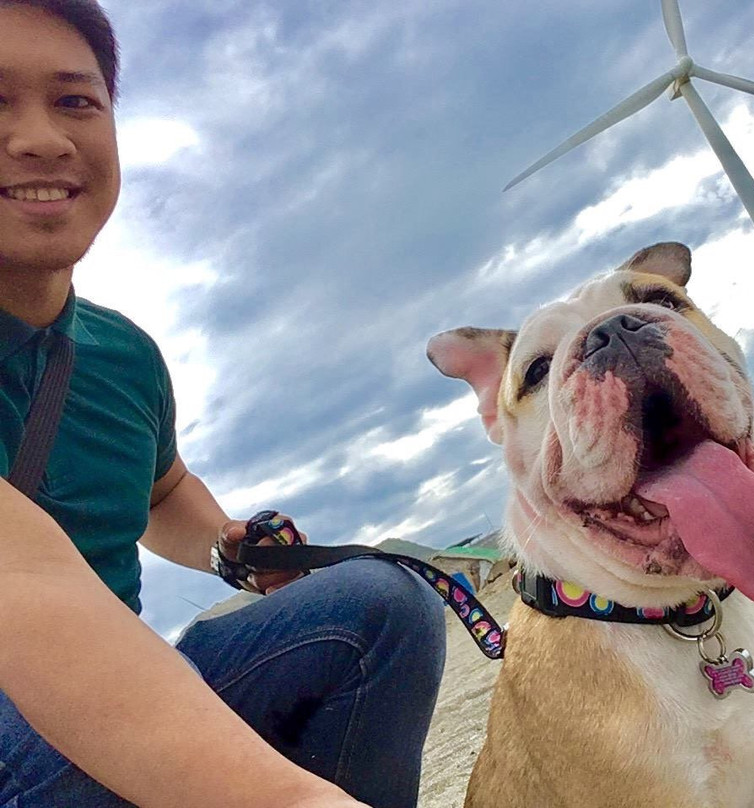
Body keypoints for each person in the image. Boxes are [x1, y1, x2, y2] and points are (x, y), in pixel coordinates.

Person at [0, 2, 445, 807]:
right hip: (28, 724)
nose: (40, 137)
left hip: (129, 678)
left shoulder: (122, 355)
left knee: (380, 604)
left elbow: (161, 489)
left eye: (75, 100)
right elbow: (21, 576)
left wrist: (230, 551)